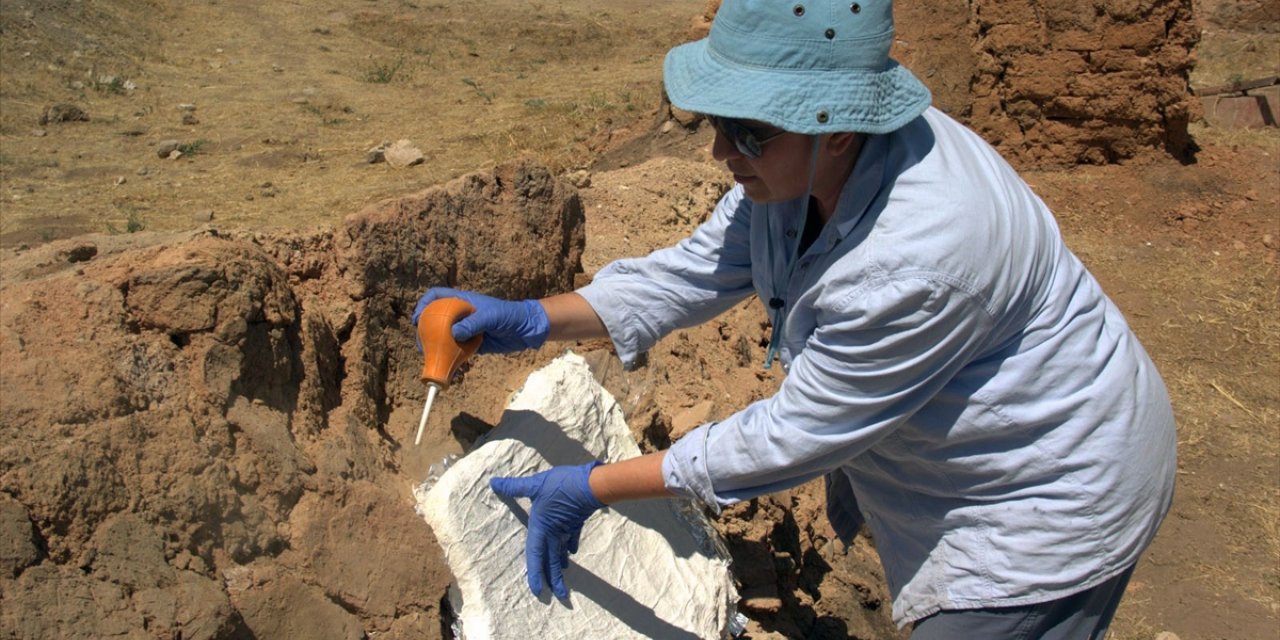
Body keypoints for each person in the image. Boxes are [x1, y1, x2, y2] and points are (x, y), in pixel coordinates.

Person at [413, 0, 1177, 636]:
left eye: (747, 131)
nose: (720, 151)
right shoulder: (803, 168)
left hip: (1046, 497)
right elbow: (694, 270)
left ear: (839, 126)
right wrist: (529, 319)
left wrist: (593, 486)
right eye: (716, 122)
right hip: (970, 456)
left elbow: (793, 439)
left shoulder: (922, 254)